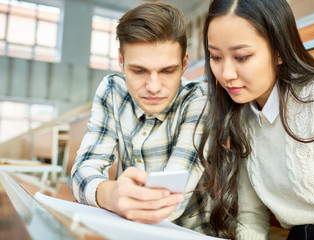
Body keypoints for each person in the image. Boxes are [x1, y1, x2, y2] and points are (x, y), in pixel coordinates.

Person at [196, 0, 314, 239]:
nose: (226, 74)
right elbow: (250, 219)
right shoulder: (243, 117)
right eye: (215, 56)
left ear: (280, 51)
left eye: (241, 57)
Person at [71, 2, 210, 233]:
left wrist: (108, 194)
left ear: (185, 64)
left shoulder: (199, 100)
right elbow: (82, 170)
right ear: (121, 62)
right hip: (126, 230)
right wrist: (109, 194)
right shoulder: (112, 91)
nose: (153, 87)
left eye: (167, 71)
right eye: (139, 70)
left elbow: (168, 201)